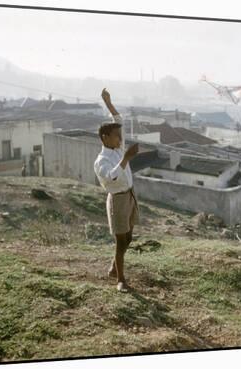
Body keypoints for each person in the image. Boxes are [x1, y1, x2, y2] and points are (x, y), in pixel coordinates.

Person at [93, 88, 140, 293]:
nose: (120, 139)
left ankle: (114, 267)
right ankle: (120, 279)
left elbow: (118, 118)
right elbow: (111, 176)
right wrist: (127, 158)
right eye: (116, 136)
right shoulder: (101, 160)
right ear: (105, 138)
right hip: (118, 200)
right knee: (121, 241)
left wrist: (108, 103)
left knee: (128, 237)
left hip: (129, 196)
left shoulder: (117, 149)